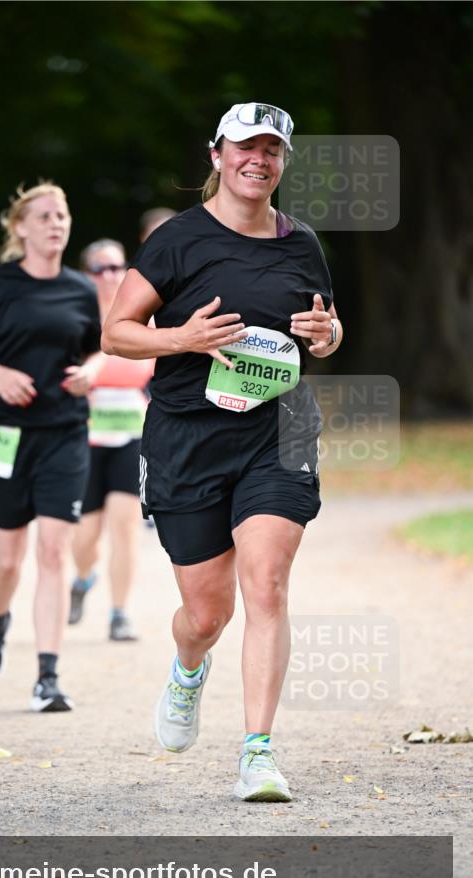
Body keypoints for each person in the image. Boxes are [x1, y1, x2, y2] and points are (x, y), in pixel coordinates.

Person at [103, 103, 343, 802]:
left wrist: (327, 336)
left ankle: (257, 752)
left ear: (281, 162)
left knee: (265, 581)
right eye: (244, 146)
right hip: (188, 438)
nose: (257, 159)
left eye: (271, 149)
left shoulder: (302, 244)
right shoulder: (177, 241)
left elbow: (321, 332)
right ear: (216, 155)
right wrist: (182, 339)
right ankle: (186, 667)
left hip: (277, 433)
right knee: (206, 614)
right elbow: (117, 333)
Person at [0, 182, 104, 712]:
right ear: (20, 227)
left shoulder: (81, 289)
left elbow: (101, 348)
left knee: (53, 551)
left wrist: (91, 372)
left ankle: (48, 676)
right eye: (44, 216)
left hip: (63, 433)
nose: (56, 224)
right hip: (0, 433)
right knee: (9, 559)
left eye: (62, 215)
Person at [68, 239, 153, 641]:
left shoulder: (142, 318)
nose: (112, 275)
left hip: (131, 434)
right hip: (84, 438)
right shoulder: (75, 320)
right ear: (87, 275)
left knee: (125, 526)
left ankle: (120, 613)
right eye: (101, 268)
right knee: (84, 537)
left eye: (118, 266)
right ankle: (83, 580)